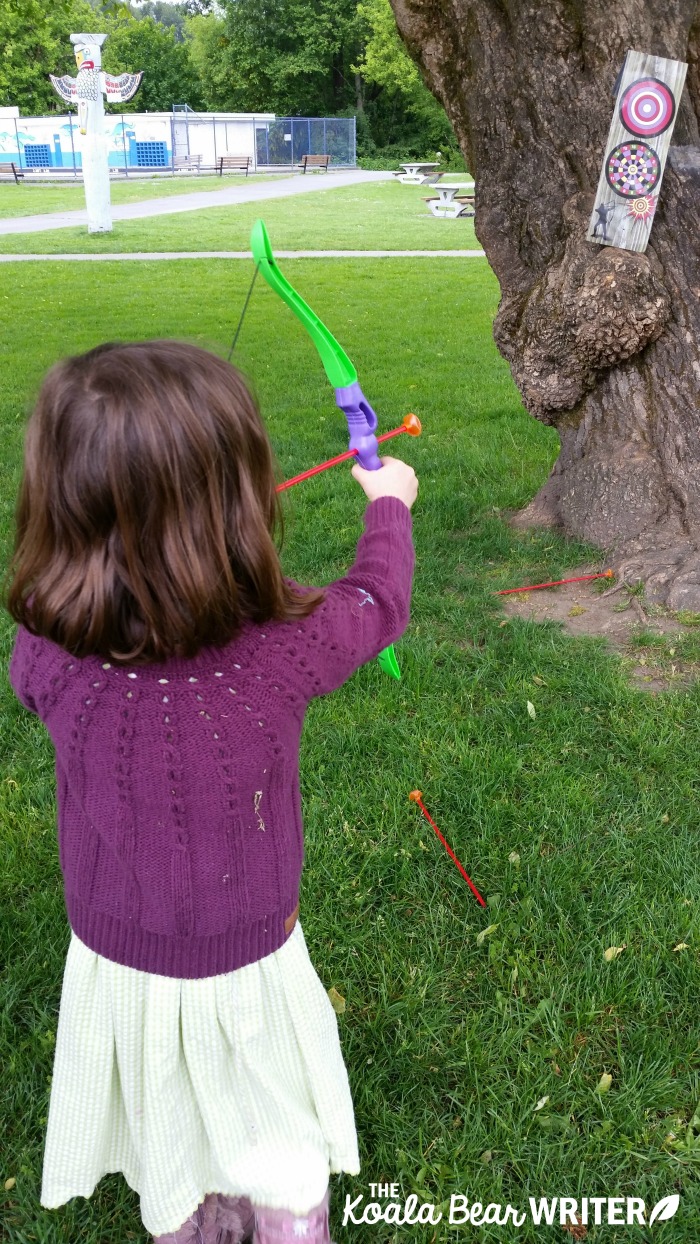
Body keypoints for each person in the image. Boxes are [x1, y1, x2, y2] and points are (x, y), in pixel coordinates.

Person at [4, 340, 417, 1244]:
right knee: (269, 1118)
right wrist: (389, 506)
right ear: (235, 507)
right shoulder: (282, 649)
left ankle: (192, 1217)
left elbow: (46, 684)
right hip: (248, 956)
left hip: (116, 951)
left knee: (166, 1108)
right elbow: (377, 601)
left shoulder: (42, 652)